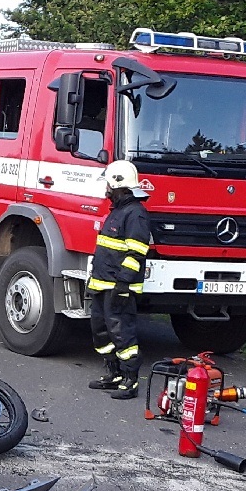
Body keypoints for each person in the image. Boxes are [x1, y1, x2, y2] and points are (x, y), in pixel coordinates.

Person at [87, 160, 152, 400]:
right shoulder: (118, 211)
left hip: (119, 287)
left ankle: (130, 380)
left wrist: (123, 284)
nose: (106, 189)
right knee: (101, 332)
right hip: (103, 284)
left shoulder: (136, 214)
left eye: (108, 184)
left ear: (118, 185)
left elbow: (136, 253)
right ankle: (114, 373)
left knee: (123, 333)